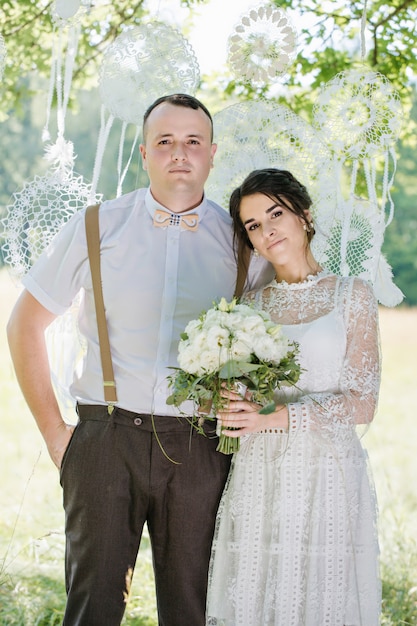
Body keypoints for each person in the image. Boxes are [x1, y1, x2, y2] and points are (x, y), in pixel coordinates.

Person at [6, 94, 272, 626]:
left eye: (193, 141)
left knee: (193, 608)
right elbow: (24, 324)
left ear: (212, 154)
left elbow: (270, 345)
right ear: (145, 151)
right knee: (93, 608)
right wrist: (58, 435)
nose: (180, 153)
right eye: (166, 142)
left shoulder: (245, 245)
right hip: (106, 440)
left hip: (201, 446)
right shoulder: (96, 226)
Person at [206, 168, 381, 625]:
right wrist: (229, 398)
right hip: (261, 473)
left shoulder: (353, 296)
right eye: (253, 226)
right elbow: (239, 401)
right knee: (261, 592)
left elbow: (363, 402)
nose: (267, 231)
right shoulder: (249, 308)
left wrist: (276, 417)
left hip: (330, 473)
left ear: (303, 215)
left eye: (274, 213)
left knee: (324, 595)